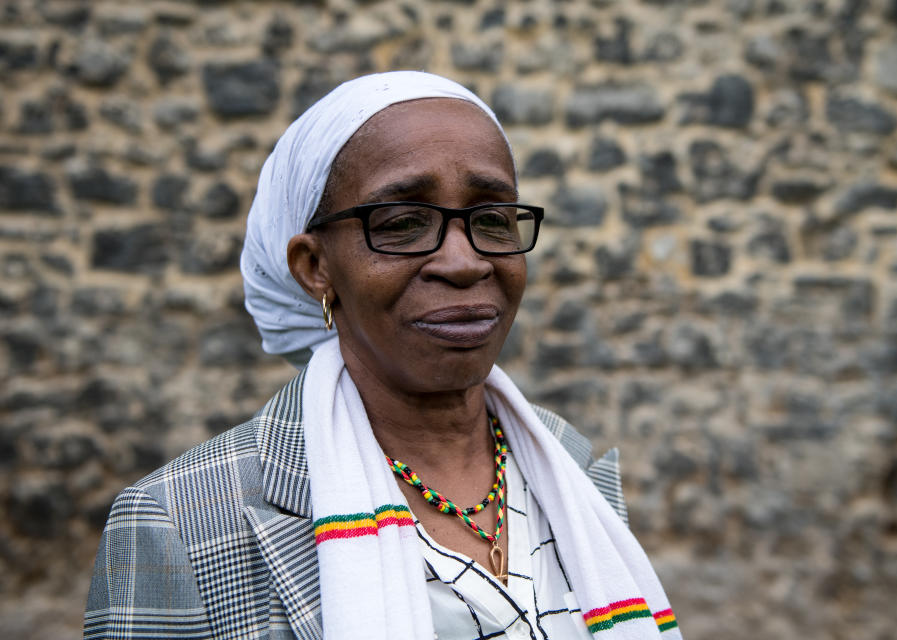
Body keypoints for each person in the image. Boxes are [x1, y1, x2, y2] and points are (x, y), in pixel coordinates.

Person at [85, 71, 680, 640]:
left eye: (492, 219)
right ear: (315, 267)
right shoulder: (180, 523)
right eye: (401, 223)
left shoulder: (572, 467)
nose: (464, 261)